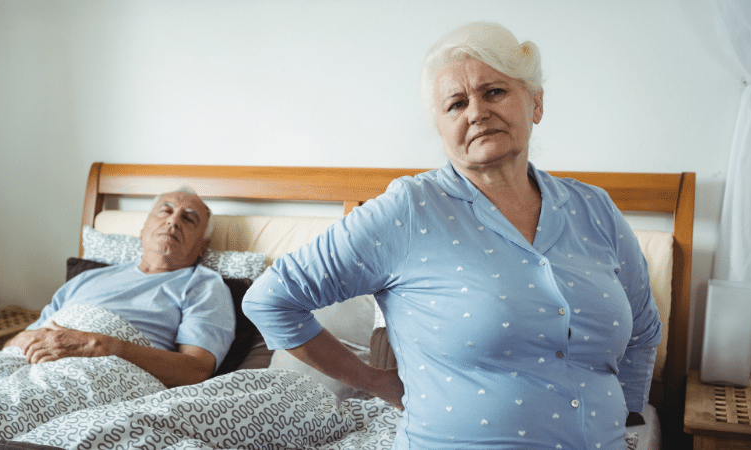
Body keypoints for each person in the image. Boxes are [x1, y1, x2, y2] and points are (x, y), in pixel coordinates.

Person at [243, 21, 661, 449]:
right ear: (441, 128)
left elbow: (644, 328)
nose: (477, 111)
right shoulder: (409, 210)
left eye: (494, 91)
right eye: (456, 104)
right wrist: (374, 381)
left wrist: (624, 418)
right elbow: (272, 299)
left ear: (535, 103)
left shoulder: (595, 209)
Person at [7, 186, 235, 387]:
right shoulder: (86, 279)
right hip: (27, 367)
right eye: (165, 211)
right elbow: (18, 341)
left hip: (103, 379)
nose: (173, 221)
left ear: (202, 246)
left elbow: (195, 370)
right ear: (143, 229)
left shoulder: (204, 285)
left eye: (188, 219)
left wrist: (100, 347)